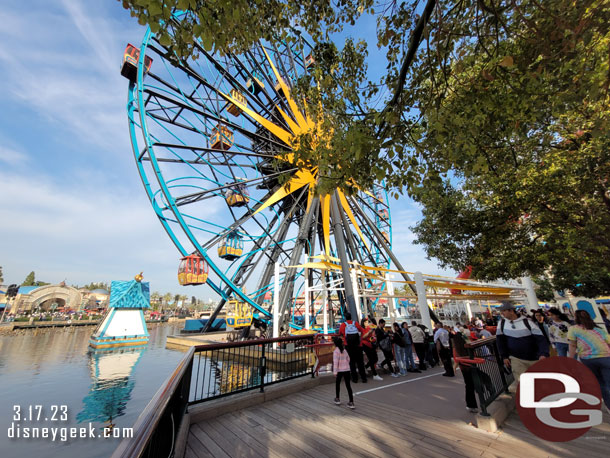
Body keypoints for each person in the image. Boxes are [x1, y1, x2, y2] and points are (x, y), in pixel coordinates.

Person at [496, 302, 549, 393]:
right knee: (522, 383)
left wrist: (543, 353)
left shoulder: (527, 322)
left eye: (504, 311)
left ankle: (542, 399)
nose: (502, 313)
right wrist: (504, 356)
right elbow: (500, 341)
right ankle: (529, 403)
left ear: (511, 311)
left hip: (535, 358)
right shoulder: (502, 323)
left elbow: (541, 339)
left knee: (539, 382)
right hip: (516, 358)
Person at [568, 310, 610, 410]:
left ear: (576, 318)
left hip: (588, 359)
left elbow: (573, 345)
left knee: (601, 384)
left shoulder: (573, 329)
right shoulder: (598, 329)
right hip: (606, 357)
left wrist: (570, 360)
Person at [339, 312, 367, 383]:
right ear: (351, 317)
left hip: (349, 346)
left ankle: (355, 378)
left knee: (352, 363)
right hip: (358, 346)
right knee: (360, 362)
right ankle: (364, 378)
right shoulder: (356, 323)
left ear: (345, 318)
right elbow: (362, 331)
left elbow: (340, 333)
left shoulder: (343, 325)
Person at [332, 336, 355, 409]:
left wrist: (335, 372)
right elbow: (348, 359)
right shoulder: (344, 350)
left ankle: (337, 398)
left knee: (337, 384)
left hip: (339, 370)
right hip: (347, 369)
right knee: (348, 386)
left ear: (335, 344)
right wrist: (346, 365)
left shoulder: (336, 351)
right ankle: (351, 402)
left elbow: (335, 363)